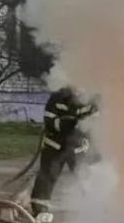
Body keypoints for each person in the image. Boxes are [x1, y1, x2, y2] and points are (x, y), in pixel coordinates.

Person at [30, 86, 96, 215]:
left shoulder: (91, 99)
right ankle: (40, 207)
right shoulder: (57, 97)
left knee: (85, 176)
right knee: (48, 175)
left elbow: (96, 120)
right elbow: (49, 120)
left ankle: (95, 206)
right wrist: (62, 124)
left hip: (77, 147)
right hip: (55, 146)